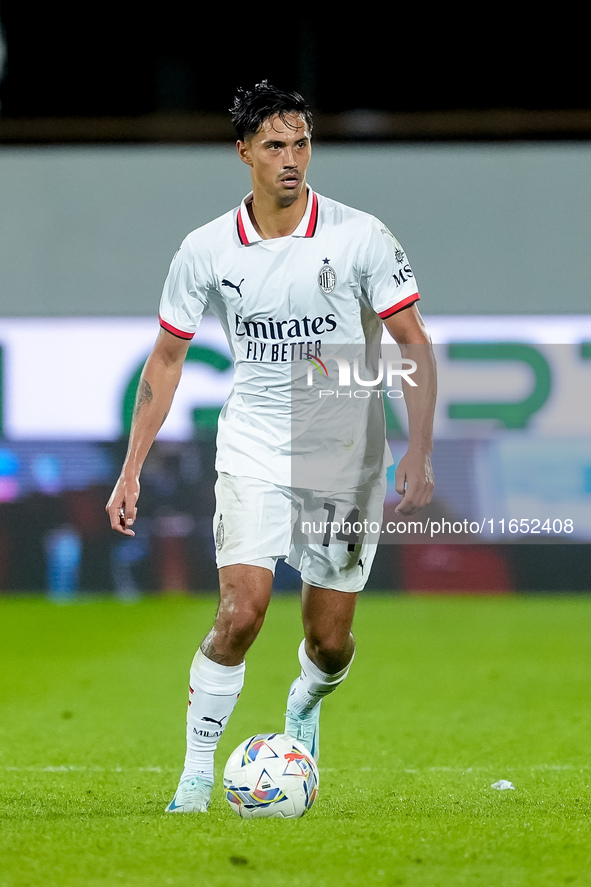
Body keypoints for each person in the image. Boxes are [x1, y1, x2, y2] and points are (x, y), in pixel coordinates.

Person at [106, 81, 436, 814]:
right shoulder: (206, 249)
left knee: (327, 642)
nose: (292, 159)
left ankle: (306, 700)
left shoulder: (360, 236)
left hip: (343, 455)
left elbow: (411, 339)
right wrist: (130, 468)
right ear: (244, 153)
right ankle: (196, 771)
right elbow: (165, 360)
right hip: (253, 442)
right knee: (240, 610)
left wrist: (417, 449)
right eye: (275, 146)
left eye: (302, 143)